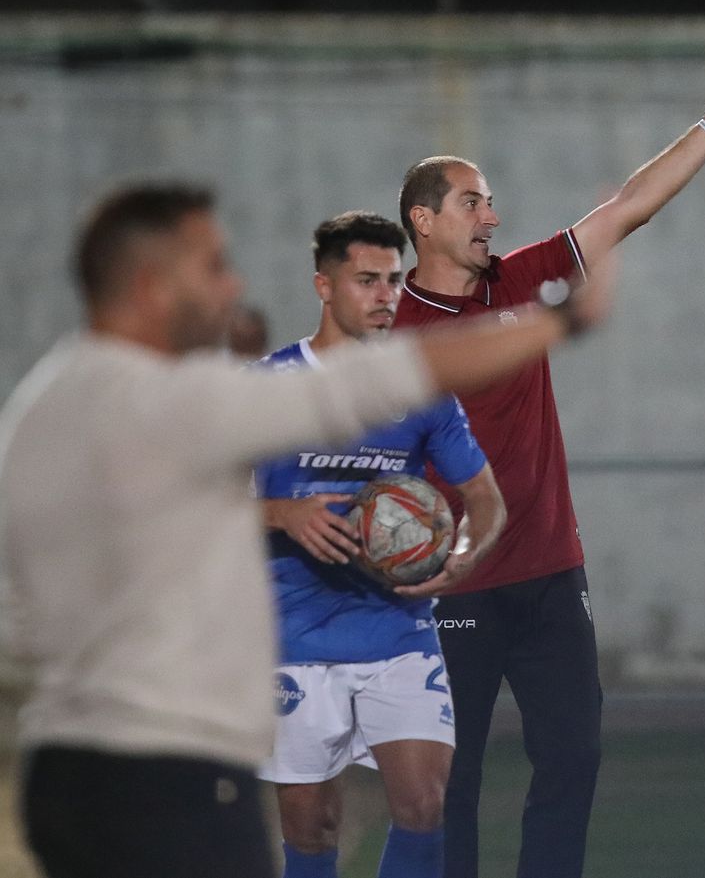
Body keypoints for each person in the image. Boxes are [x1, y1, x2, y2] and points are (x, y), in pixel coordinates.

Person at [0, 181, 613, 878]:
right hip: (160, 769)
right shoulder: (161, 400)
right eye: (212, 265)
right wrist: (553, 322)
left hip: (70, 763)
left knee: (421, 798)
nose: (232, 285)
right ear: (149, 284)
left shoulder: (44, 403)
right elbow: (356, 386)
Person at [390, 46, 705, 878]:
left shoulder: (519, 280)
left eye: (491, 202)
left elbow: (630, 207)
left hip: (552, 575)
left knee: (574, 759)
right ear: (423, 221)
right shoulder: (393, 336)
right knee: (447, 786)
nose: (491, 216)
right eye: (472, 202)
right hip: (454, 591)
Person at [255, 211, 508, 878]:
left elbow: (486, 499)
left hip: (398, 629)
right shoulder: (265, 386)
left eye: (394, 280)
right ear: (323, 286)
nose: (386, 296)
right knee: (312, 826)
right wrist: (281, 511)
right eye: (367, 280)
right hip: (294, 639)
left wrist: (461, 560)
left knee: (426, 802)